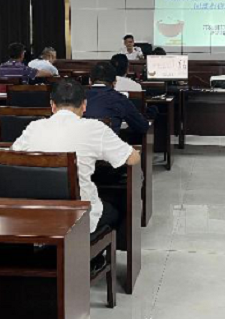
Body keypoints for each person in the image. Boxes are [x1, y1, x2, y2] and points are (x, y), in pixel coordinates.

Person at [12, 79, 140, 235]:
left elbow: (13, 157)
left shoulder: (34, 127)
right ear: (84, 105)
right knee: (117, 206)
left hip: (36, 213)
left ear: (52, 105)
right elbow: (132, 158)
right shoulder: (95, 127)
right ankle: (98, 250)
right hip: (78, 216)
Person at [84, 62, 149, 135]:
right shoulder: (120, 99)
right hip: (108, 142)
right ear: (115, 82)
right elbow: (143, 127)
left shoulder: (78, 98)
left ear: (90, 81)